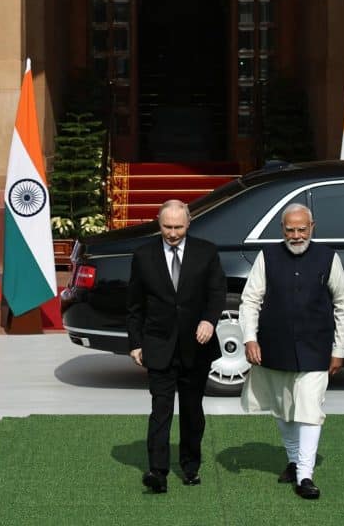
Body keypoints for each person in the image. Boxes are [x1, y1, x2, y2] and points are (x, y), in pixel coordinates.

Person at [238, 202, 344, 500]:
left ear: (312, 227)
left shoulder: (329, 257)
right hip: (273, 347)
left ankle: (305, 475)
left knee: (310, 410)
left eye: (302, 229)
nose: (297, 235)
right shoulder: (268, 256)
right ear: (282, 230)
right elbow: (250, 300)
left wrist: (339, 349)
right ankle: (292, 460)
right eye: (291, 230)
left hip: (316, 348)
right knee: (284, 409)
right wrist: (250, 338)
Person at [127, 199, 226, 494]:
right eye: (167, 227)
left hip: (197, 345)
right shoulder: (143, 255)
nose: (172, 233)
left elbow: (217, 292)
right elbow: (134, 305)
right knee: (161, 410)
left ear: (189, 223)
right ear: (159, 223)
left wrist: (210, 320)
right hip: (158, 345)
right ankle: (157, 472)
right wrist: (135, 343)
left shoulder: (206, 252)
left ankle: (190, 466)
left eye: (178, 227)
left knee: (193, 410)